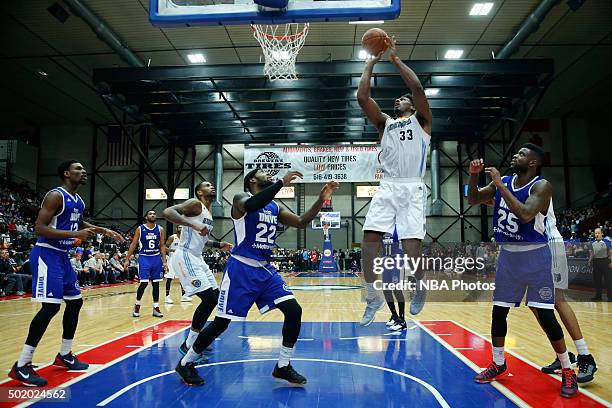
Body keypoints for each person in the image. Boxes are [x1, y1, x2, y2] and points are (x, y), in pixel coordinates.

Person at [175, 169, 338, 386]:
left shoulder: (275, 206)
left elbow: (300, 222)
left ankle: (283, 366)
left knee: (293, 310)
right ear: (252, 179)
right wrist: (281, 182)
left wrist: (320, 200)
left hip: (265, 270)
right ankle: (186, 363)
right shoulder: (240, 199)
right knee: (221, 323)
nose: (268, 174)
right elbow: (252, 206)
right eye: (263, 172)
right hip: (241, 269)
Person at [468, 144, 578, 398]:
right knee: (498, 313)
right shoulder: (503, 181)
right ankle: (498, 363)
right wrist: (474, 176)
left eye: (522, 154)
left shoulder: (541, 186)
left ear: (533, 163)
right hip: (509, 257)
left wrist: (500, 186)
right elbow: (473, 199)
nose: (515, 155)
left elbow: (527, 214)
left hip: (536, 256)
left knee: (546, 315)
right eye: (516, 152)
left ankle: (567, 368)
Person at [9, 160, 124, 387]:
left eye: (84, 169)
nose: (84, 172)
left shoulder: (78, 200)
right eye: (79, 169)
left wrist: (103, 230)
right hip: (46, 254)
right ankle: (22, 365)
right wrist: (79, 233)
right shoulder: (55, 196)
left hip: (62, 256)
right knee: (51, 307)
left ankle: (64, 354)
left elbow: (77, 221)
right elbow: (39, 228)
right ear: (66, 173)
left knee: (75, 303)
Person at [356, 36, 432, 325]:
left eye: (402, 98)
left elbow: (417, 87)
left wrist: (395, 60)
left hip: (412, 185)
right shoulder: (385, 123)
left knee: (412, 245)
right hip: (388, 185)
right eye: (397, 98)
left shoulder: (422, 121)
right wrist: (370, 63)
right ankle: (372, 296)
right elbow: (363, 99)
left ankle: (418, 283)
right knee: (368, 241)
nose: (397, 99)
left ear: (412, 106)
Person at [162, 181, 232, 366]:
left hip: (197, 257)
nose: (212, 186)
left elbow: (200, 238)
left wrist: (218, 245)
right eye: (208, 185)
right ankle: (189, 344)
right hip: (185, 256)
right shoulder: (195, 204)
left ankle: (197, 339)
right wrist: (192, 224)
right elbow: (168, 212)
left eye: (213, 184)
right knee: (209, 299)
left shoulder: (208, 213)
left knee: (216, 297)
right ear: (199, 192)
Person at [536, 206, 598, 383]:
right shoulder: (514, 185)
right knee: (534, 304)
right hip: (534, 248)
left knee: (557, 300)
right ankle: (562, 354)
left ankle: (585, 356)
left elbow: (523, 210)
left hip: (550, 244)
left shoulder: (538, 186)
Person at [125, 210, 167, 318]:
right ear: (146, 217)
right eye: (150, 214)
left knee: (156, 284)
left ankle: (156, 307)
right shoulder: (140, 229)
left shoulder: (160, 229)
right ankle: (137, 305)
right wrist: (127, 259)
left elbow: (162, 246)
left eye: (154, 214)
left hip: (156, 258)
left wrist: (164, 261)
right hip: (144, 258)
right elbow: (134, 244)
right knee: (143, 283)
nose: (153, 215)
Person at [164, 225, 191, 304]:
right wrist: (173, 250)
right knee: (169, 278)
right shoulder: (172, 237)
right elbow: (164, 247)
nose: (181, 229)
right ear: (176, 229)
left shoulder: (185, 238)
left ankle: (184, 296)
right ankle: (167, 297)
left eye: (182, 227)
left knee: (183, 278)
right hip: (172, 260)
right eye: (179, 227)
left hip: (181, 261)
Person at [588, 227, 611, 301]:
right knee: (597, 280)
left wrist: (611, 261)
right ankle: (598, 296)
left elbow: (610, 252)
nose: (597, 234)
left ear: (602, 233)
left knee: (608, 280)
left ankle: (610, 297)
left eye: (598, 233)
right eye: (596, 233)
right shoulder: (592, 243)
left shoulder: (606, 241)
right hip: (596, 262)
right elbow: (592, 253)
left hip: (605, 261)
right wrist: (589, 261)